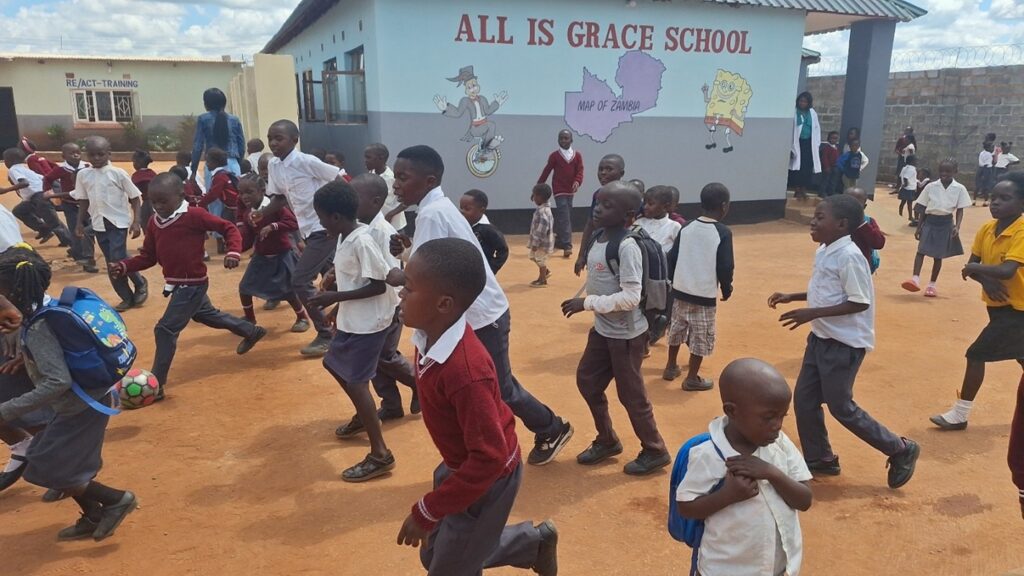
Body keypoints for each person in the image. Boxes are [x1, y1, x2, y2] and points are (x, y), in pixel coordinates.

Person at [388, 145, 573, 466]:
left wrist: (399, 274)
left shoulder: (432, 214)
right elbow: (433, 263)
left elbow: (427, 276)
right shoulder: (437, 209)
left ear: (429, 180)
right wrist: (407, 255)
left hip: (482, 315)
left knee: (499, 388)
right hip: (474, 312)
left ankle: (550, 428)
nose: (396, 185)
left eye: (402, 177)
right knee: (496, 385)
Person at [395, 237, 558, 576]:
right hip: (461, 466)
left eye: (408, 289)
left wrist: (426, 510)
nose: (400, 294)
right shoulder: (428, 336)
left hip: (487, 476)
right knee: (439, 554)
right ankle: (532, 543)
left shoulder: (465, 371)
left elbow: (489, 457)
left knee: (450, 567)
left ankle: (526, 544)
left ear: (443, 304)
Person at [769, 194, 920, 488]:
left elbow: (859, 302)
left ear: (841, 224)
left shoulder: (850, 256)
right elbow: (826, 290)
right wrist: (794, 296)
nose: (813, 221)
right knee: (804, 400)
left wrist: (811, 312)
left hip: (844, 343)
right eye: (814, 216)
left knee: (841, 406)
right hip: (821, 337)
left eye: (820, 217)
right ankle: (820, 458)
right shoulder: (826, 250)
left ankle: (900, 448)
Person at [0, 247, 137, 541]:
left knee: (44, 469)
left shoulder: (38, 325)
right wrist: (26, 359)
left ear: (15, 290)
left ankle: (115, 500)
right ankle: (93, 515)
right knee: (42, 456)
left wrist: (7, 410)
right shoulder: (50, 306)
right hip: (86, 398)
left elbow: (57, 382)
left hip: (81, 405)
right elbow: (60, 351)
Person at [110, 174, 266, 396]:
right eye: (154, 202)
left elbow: (229, 228)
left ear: (180, 196)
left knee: (165, 330)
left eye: (163, 201)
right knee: (206, 314)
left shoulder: (194, 215)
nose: (158, 206)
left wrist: (233, 250)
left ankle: (157, 384)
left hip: (192, 284)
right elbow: (148, 256)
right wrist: (125, 266)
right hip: (178, 284)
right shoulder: (154, 222)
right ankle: (251, 331)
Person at [561, 180, 670, 475]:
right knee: (588, 381)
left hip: (627, 335)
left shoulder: (627, 246)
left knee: (632, 395)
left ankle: (655, 449)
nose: (598, 208)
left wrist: (586, 304)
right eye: (599, 201)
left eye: (608, 206)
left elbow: (631, 297)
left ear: (628, 215)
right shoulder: (598, 236)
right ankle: (607, 439)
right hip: (604, 331)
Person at [675, 358, 813, 576]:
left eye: (781, 416)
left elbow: (804, 500)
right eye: (768, 418)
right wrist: (728, 495)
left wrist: (771, 472)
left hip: (778, 568)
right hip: (724, 570)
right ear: (732, 411)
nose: (777, 425)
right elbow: (686, 507)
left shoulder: (780, 443)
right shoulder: (709, 454)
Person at [307, 180, 399, 482]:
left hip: (369, 324)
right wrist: (337, 298)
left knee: (358, 383)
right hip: (353, 320)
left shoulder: (362, 240)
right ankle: (365, 414)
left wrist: (333, 299)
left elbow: (378, 284)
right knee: (332, 363)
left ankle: (381, 454)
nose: (319, 222)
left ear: (334, 217)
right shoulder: (344, 236)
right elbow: (355, 277)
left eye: (321, 216)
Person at [929, 173, 1024, 431]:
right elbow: (974, 266)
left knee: (976, 353)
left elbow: (1004, 270)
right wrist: (984, 279)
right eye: (993, 197)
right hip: (998, 305)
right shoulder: (987, 229)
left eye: (1005, 198)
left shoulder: (1022, 231)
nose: (996, 203)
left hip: (1019, 310)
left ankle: (960, 414)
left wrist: (975, 269)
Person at [333, 173, 418, 434]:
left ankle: (418, 384)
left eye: (354, 197)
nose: (348, 202)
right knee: (378, 361)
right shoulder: (353, 227)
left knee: (385, 357)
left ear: (376, 201)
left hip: (386, 308)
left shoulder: (383, 232)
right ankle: (391, 403)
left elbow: (391, 277)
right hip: (365, 309)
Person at [260, 119, 342, 356]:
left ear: (294, 140)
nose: (274, 143)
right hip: (305, 229)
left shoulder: (307, 162)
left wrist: (338, 217)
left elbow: (338, 180)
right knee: (339, 277)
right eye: (270, 138)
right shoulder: (274, 166)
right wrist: (261, 213)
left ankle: (326, 334)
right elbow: (279, 197)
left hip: (323, 228)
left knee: (300, 280)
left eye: (279, 138)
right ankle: (343, 322)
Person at [663, 183, 733, 390]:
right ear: (724, 206)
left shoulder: (687, 227)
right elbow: (726, 265)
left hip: (680, 291)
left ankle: (670, 366)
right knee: (701, 335)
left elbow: (672, 257)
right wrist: (727, 288)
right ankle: (692, 377)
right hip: (703, 296)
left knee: (676, 329)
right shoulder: (722, 232)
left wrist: (673, 281)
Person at [71, 136, 148, 312]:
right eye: (92, 155)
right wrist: (79, 223)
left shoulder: (118, 173)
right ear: (86, 155)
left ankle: (129, 295)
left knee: (115, 260)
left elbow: (135, 197)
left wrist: (136, 221)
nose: (96, 158)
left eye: (100, 154)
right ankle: (136, 285)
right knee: (115, 258)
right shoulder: (83, 175)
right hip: (99, 224)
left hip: (118, 223)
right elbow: (83, 200)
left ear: (109, 153)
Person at [234, 173, 308, 332]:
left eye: (249, 192)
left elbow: (293, 222)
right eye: (241, 193)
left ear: (262, 191)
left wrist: (273, 226)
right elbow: (248, 237)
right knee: (245, 288)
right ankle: (250, 318)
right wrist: (235, 249)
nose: (244, 196)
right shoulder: (248, 213)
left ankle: (302, 317)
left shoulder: (275, 208)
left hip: (282, 255)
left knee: (288, 291)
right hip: (261, 256)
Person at [902, 159, 972, 297]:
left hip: (946, 223)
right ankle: (915, 279)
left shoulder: (960, 189)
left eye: (948, 171)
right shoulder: (931, 186)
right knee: (921, 250)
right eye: (941, 171)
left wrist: (957, 227)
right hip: (930, 221)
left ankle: (931, 285)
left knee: (938, 255)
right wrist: (919, 226)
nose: (944, 173)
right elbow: (922, 207)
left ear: (955, 172)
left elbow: (960, 210)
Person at [42, 143, 98, 273]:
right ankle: (84, 259)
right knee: (76, 230)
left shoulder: (87, 166)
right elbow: (48, 178)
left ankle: (79, 251)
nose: (75, 155)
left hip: (88, 204)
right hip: (70, 204)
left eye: (78, 152)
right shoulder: (61, 169)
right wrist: (48, 191)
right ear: (63, 156)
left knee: (90, 229)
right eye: (71, 153)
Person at [2, 148, 73, 248]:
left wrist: (6, 190)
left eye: (5, 160)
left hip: (40, 197)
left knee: (53, 222)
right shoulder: (24, 169)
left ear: (10, 160)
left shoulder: (13, 169)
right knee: (19, 211)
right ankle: (44, 229)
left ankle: (74, 247)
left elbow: (24, 183)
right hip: (34, 198)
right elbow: (42, 178)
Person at [575, 154, 626, 276]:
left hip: (620, 250)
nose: (603, 173)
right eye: (600, 169)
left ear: (621, 173)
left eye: (609, 169)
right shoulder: (598, 195)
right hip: (598, 247)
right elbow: (590, 224)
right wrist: (581, 255)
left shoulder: (627, 195)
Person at [538, 129, 584, 258]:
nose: (563, 140)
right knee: (564, 214)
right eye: (561, 138)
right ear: (558, 140)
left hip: (570, 190)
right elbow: (546, 171)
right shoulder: (555, 156)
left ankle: (558, 239)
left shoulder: (577, 155)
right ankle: (567, 245)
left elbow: (580, 171)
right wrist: (538, 187)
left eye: (566, 138)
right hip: (559, 189)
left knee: (565, 214)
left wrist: (577, 181)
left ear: (571, 140)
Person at [189, 87, 245, 191]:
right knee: (234, 200)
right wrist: (238, 163)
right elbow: (241, 146)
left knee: (214, 201)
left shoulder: (203, 119)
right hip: (233, 163)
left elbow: (198, 146)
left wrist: (194, 170)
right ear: (224, 103)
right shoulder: (234, 120)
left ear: (206, 104)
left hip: (212, 165)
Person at [198, 147, 241, 255]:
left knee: (227, 227)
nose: (207, 164)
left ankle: (232, 247)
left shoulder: (219, 177)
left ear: (215, 162)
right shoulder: (224, 173)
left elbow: (213, 194)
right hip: (231, 206)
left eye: (208, 161)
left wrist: (201, 203)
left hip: (232, 208)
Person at [459, 189, 509, 275]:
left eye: (467, 209)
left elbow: (503, 250)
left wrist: (491, 269)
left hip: (482, 272)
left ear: (481, 210)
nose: (462, 211)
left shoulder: (489, 230)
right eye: (461, 208)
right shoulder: (461, 225)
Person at [365, 143, 406, 231]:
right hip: (380, 223)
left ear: (381, 158)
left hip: (395, 225)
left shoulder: (391, 178)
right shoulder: (371, 174)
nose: (365, 160)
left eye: (368, 157)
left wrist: (391, 214)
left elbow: (405, 201)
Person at [787, 91, 821, 200]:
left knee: (807, 167)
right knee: (798, 168)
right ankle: (797, 190)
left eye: (805, 101)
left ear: (809, 103)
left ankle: (804, 189)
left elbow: (816, 128)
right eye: (801, 101)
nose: (802, 103)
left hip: (809, 143)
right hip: (797, 143)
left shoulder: (812, 113)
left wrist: (817, 144)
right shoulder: (794, 112)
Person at [846, 187, 885, 274]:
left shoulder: (868, 222)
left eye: (856, 205)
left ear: (864, 207)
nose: (852, 208)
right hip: (838, 268)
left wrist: (862, 224)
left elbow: (879, 243)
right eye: (848, 203)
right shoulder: (834, 221)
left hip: (861, 269)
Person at [636, 185, 682, 254]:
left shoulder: (674, 227)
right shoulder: (639, 223)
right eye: (645, 203)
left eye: (650, 204)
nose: (645, 207)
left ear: (665, 207)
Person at [527, 183, 554, 287]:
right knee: (533, 256)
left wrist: (535, 243)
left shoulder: (543, 211)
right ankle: (545, 272)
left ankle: (542, 280)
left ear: (539, 197)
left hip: (542, 243)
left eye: (534, 196)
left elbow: (541, 230)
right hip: (541, 242)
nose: (533, 198)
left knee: (540, 259)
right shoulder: (542, 209)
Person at [131, 150, 157, 230]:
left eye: (134, 162)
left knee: (147, 227)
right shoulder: (152, 173)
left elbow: (133, 193)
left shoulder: (136, 176)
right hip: (156, 203)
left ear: (138, 163)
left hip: (146, 204)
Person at [898, 155, 919, 226]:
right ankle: (910, 216)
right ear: (912, 161)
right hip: (910, 188)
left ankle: (900, 214)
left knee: (903, 202)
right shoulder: (912, 169)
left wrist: (903, 185)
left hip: (905, 188)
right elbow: (906, 178)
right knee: (909, 203)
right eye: (915, 160)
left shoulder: (904, 168)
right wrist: (906, 184)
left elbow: (901, 176)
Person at [819, 131, 841, 197]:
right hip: (828, 167)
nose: (834, 140)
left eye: (836, 138)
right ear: (828, 139)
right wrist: (826, 167)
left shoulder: (836, 148)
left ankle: (831, 192)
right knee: (825, 180)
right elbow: (824, 158)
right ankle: (822, 192)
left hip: (835, 167)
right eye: (832, 138)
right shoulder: (827, 148)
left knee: (833, 181)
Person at [977, 141, 996, 206]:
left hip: (980, 168)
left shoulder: (981, 153)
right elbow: (987, 164)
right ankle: (986, 201)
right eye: (992, 147)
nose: (993, 149)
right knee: (987, 186)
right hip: (987, 169)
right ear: (988, 148)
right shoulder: (989, 154)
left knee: (978, 184)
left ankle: (974, 200)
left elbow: (981, 163)